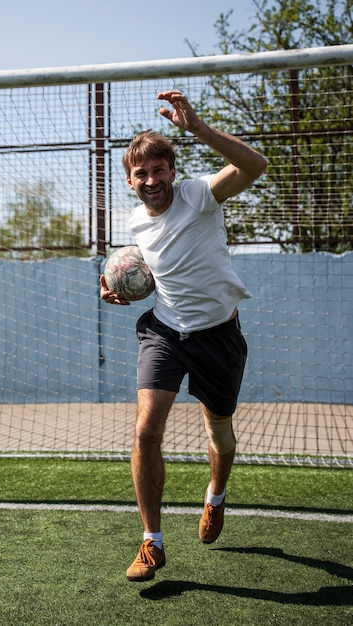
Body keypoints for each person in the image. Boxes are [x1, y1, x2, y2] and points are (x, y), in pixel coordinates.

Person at [100, 90, 267, 582]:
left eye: (158, 170)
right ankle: (151, 542)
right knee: (146, 430)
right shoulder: (135, 223)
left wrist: (197, 128)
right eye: (140, 174)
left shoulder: (198, 195)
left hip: (219, 334)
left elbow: (254, 165)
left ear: (172, 171)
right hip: (165, 333)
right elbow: (142, 272)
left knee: (219, 430)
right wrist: (114, 286)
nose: (150, 180)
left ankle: (215, 497)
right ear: (131, 182)